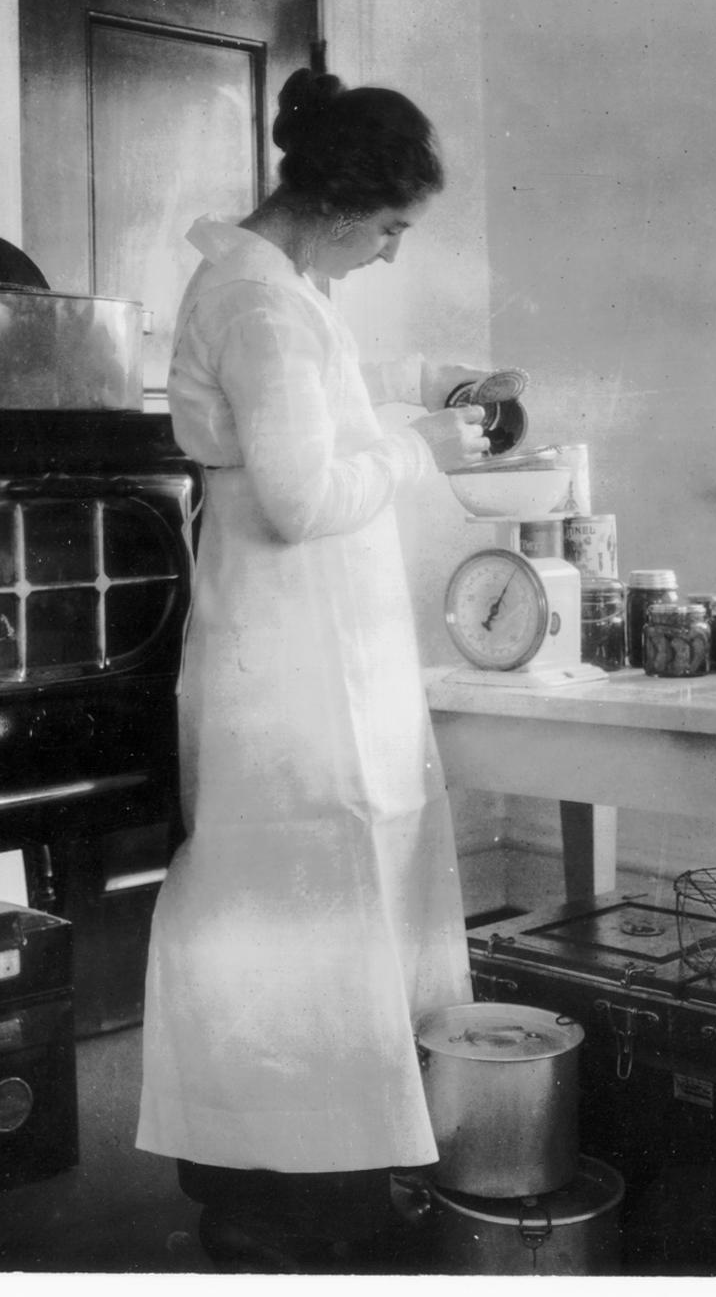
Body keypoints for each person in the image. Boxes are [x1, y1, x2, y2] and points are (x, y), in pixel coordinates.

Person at [134, 66, 497, 1273]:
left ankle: (309, 1175)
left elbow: (312, 413)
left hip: (299, 645)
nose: (394, 250)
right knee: (301, 900)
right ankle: (282, 1193)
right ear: (341, 204)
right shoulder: (262, 305)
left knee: (322, 899)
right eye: (393, 226)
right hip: (285, 657)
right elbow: (298, 495)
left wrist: (408, 395)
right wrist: (414, 445)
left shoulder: (273, 284)